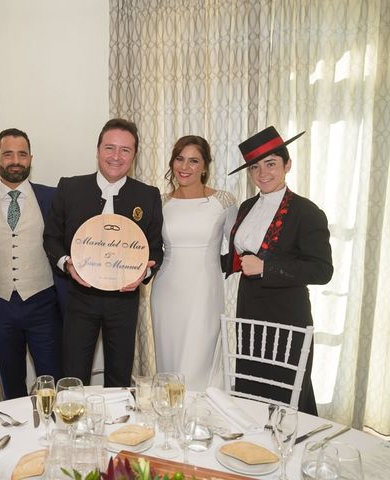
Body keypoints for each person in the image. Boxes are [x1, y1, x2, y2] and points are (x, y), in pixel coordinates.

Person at [43, 118, 163, 387]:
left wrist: (143, 272)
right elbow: (51, 238)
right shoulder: (70, 188)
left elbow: (155, 249)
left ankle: (118, 429)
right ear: (97, 150)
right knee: (72, 377)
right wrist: (67, 265)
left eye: (125, 150)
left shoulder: (148, 195)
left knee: (120, 379)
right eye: (109, 148)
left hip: (125, 302)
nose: (116, 157)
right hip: (79, 300)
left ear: (134, 155)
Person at [223, 126, 333, 414]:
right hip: (249, 313)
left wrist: (266, 268)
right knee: (251, 388)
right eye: (255, 167)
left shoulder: (307, 212)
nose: (262, 173)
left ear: (287, 165)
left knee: (288, 392)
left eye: (271, 164)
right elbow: (237, 260)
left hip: (287, 317)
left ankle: (296, 452)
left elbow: (322, 270)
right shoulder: (246, 207)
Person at [0, 128, 65, 399]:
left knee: (52, 384)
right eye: (7, 154)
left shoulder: (53, 197)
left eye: (22, 154)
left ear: (31, 159)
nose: (15, 160)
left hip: (44, 303)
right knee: (11, 386)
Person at [150, 136, 237, 390]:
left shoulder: (224, 201)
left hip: (205, 292)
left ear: (205, 167)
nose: (185, 167)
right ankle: (171, 419)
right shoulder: (161, 202)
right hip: (166, 292)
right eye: (179, 159)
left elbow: (239, 246)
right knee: (171, 364)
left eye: (193, 160)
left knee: (198, 363)